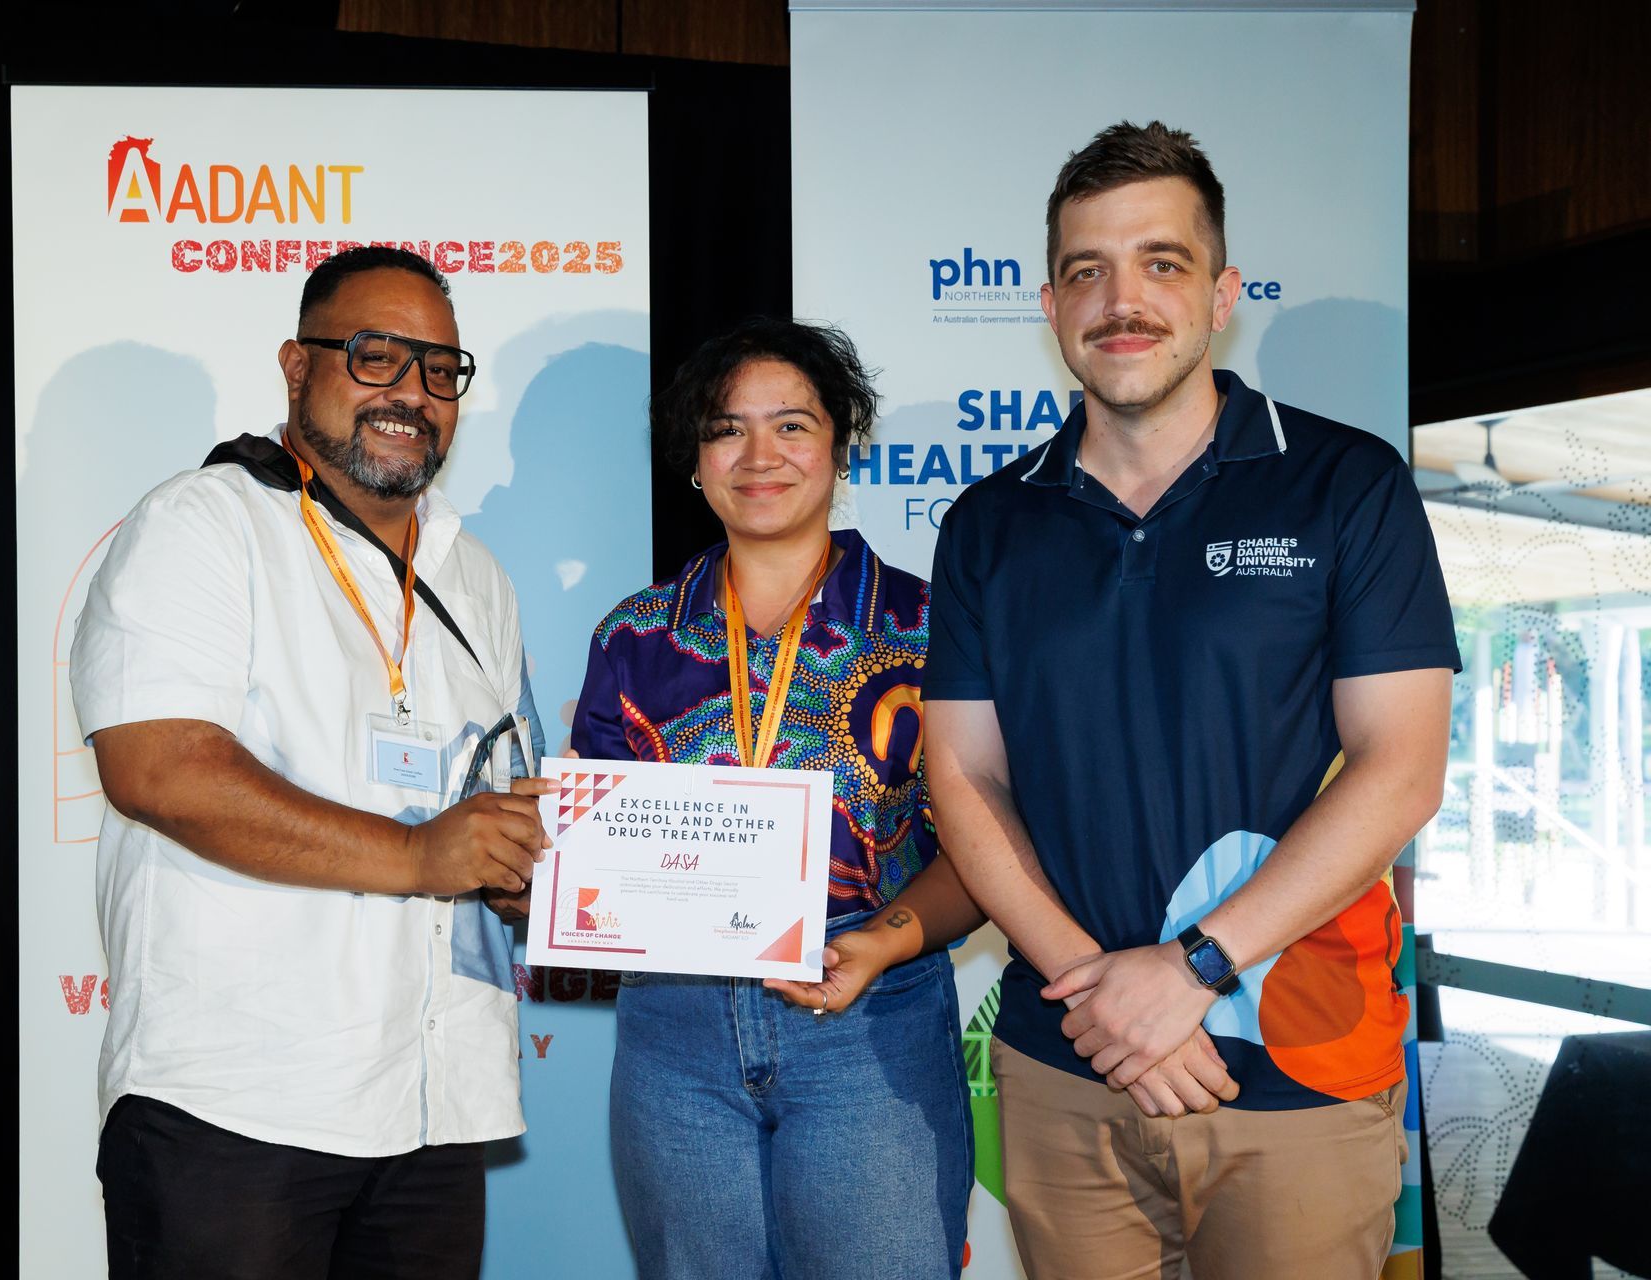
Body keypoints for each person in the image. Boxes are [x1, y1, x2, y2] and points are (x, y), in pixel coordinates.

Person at [923, 121, 1458, 1280]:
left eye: (1161, 263)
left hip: (1297, 1065)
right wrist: (1103, 996)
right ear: (1053, 306)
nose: (1123, 299)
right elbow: (964, 777)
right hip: (1066, 1056)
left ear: (1221, 296)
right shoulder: (988, 523)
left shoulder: (1345, 483)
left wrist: (1190, 971)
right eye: (1087, 271)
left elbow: (1401, 769)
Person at [71, 245, 555, 1280]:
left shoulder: (475, 576)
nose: (412, 394)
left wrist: (530, 875)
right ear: (299, 368)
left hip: (434, 1104)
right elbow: (161, 767)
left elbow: (508, 804)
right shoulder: (203, 526)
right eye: (377, 357)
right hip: (238, 1106)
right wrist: (422, 853)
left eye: (440, 369)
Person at [571, 318, 984, 1279]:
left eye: (792, 426)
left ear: (841, 444)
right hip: (676, 1032)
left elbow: (987, 850)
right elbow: (593, 849)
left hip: (869, 1012)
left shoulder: (932, 627)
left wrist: (883, 940)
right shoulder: (633, 636)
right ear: (694, 461)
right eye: (726, 430)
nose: (759, 456)